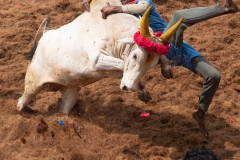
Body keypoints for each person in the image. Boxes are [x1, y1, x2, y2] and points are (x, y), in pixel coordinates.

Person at [81, 0, 238, 138]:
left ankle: (200, 113)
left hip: (175, 46)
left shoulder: (138, 3)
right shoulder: (120, 9)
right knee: (135, 55)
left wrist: (116, 9)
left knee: (214, 76)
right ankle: (222, 8)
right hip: (156, 52)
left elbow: (143, 6)